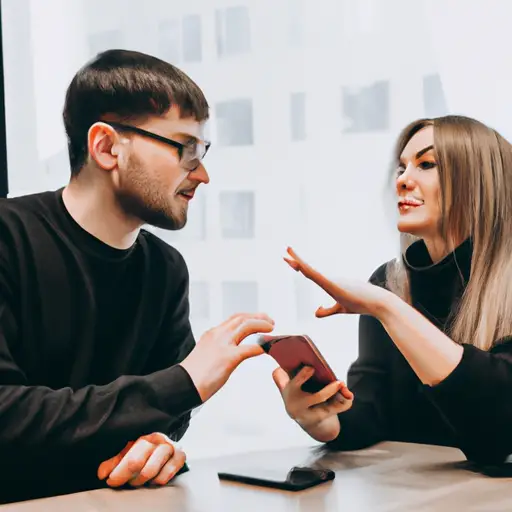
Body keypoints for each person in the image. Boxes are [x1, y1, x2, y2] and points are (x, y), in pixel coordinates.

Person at [0, 49, 274, 503]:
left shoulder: (165, 270)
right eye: (185, 148)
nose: (202, 174)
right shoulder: (9, 239)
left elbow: (165, 416)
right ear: (107, 147)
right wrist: (183, 382)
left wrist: (157, 447)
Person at [273, 115, 512, 466]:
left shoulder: (387, 298)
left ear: (480, 183)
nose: (403, 180)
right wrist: (325, 421)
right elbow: (372, 407)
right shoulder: (389, 283)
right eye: (401, 167)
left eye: (426, 164)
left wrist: (388, 309)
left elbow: (498, 434)